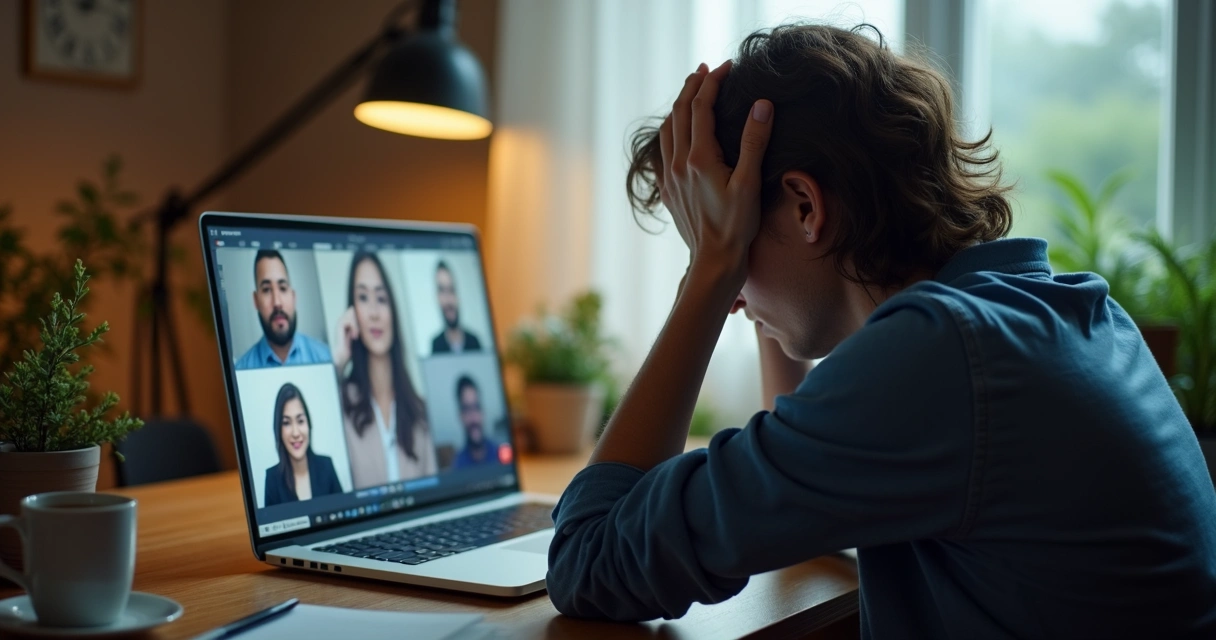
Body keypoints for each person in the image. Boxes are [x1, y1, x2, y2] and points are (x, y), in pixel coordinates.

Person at [545, 24, 1216, 637]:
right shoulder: (1048, 309)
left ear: (806, 205)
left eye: (717, 237)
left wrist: (711, 274)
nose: (732, 303)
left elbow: (588, 562)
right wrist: (737, 261)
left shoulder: (940, 356)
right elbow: (802, 482)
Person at [334, 251, 438, 488]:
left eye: (381, 299)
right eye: (362, 297)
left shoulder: (420, 412)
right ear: (352, 312)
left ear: (393, 311)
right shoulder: (340, 401)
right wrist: (339, 360)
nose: (373, 313)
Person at [235, 249, 332, 369]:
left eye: (282, 288)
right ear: (256, 301)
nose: (277, 302)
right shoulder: (240, 370)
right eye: (266, 290)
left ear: (293, 296)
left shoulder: (326, 357)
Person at [263, 382, 343, 506]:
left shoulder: (326, 466)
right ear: (278, 430)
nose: (296, 433)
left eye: (300, 421)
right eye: (286, 423)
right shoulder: (272, 479)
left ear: (308, 424)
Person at [431, 260, 483, 354]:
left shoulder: (474, 342)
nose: (448, 300)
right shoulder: (436, 345)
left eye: (451, 290)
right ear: (437, 297)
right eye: (442, 291)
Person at [451, 375, 500, 469]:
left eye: (476, 407)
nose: (474, 417)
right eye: (467, 409)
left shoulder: (500, 454)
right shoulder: (457, 465)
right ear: (460, 416)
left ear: (483, 412)